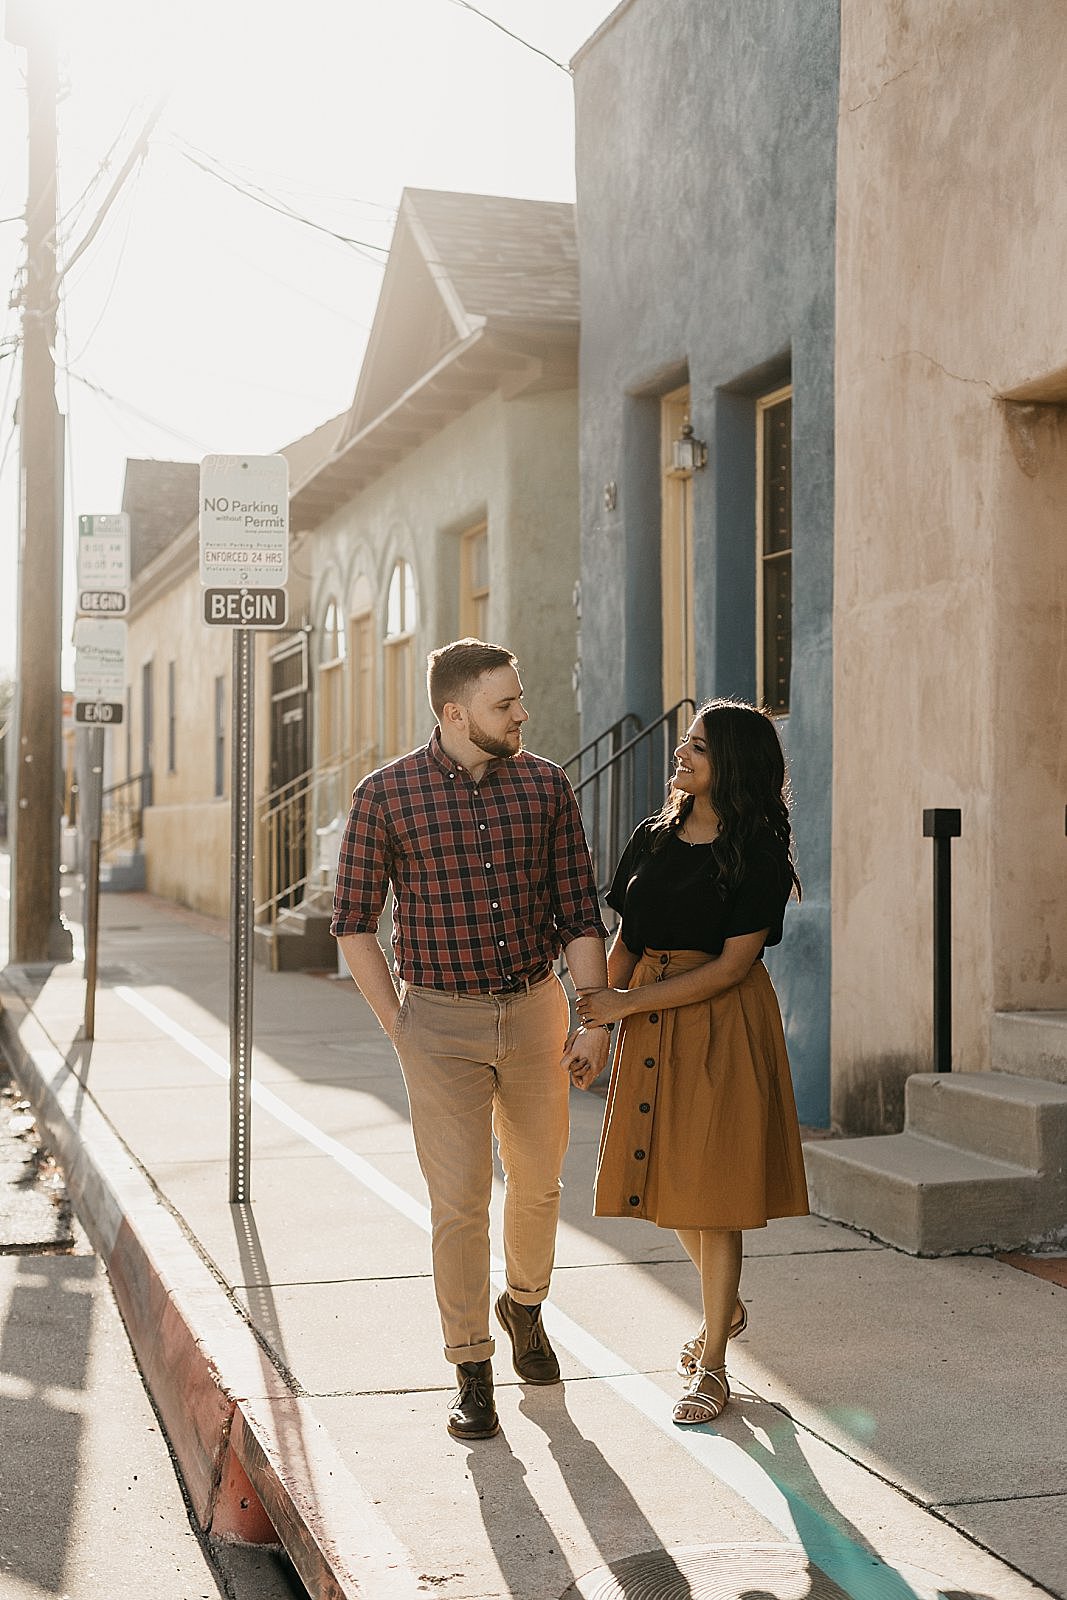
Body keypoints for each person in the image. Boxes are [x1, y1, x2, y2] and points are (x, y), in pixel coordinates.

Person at [331, 639, 609, 1441]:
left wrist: (590, 1017)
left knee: (539, 1182)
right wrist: (399, 1026)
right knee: (458, 1204)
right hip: (439, 1021)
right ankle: (471, 1367)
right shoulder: (386, 795)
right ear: (454, 714)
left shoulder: (545, 786)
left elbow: (578, 912)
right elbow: (352, 924)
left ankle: (523, 1307)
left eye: (519, 699)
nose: (522, 713)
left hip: (533, 1009)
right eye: (505, 703)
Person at [573, 698, 809, 1426]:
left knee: (713, 1188)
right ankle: (722, 1303)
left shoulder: (757, 849)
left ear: (730, 765)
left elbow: (733, 967)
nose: (682, 753)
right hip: (646, 1016)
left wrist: (625, 1007)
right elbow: (627, 940)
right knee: (660, 1173)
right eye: (685, 741)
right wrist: (596, 1023)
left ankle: (711, 1368)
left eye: (699, 747)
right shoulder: (652, 837)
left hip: (718, 1022)